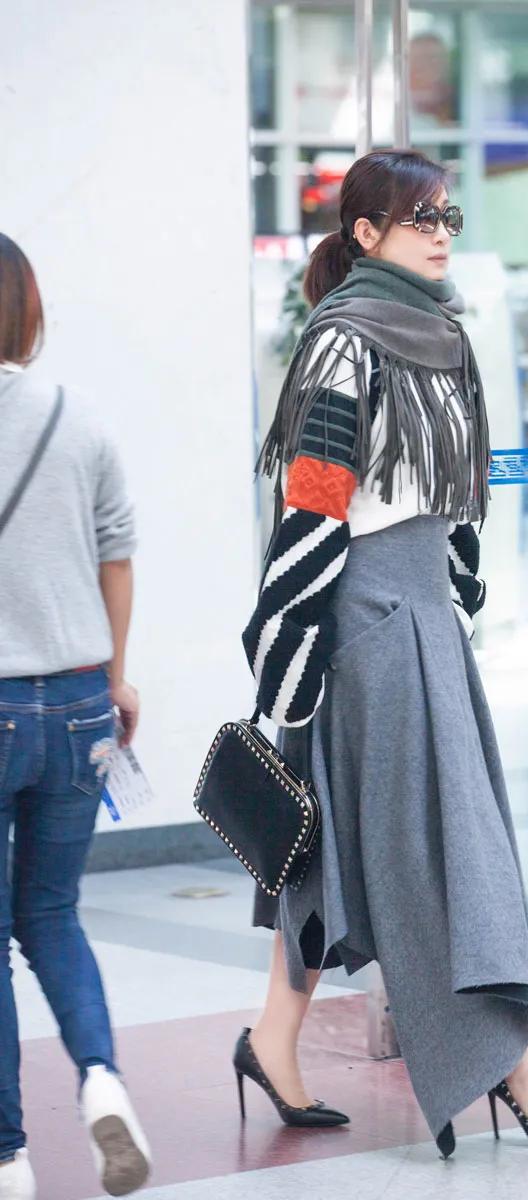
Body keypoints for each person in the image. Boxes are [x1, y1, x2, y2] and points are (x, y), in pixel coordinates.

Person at [237, 150, 528, 1158]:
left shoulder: (442, 336)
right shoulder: (341, 342)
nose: (441, 233)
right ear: (365, 234)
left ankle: (271, 1041)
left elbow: (456, 495)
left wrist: (457, 592)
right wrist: (293, 642)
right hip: (361, 620)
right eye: (419, 217)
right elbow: (313, 502)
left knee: (341, 843)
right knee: (433, 850)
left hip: (426, 616)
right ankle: (518, 1071)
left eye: (448, 216)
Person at [0, 234, 151, 1199]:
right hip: (81, 705)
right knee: (51, 912)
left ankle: (8, 1155)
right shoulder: (79, 415)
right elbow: (117, 556)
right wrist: (117, 679)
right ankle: (101, 1080)